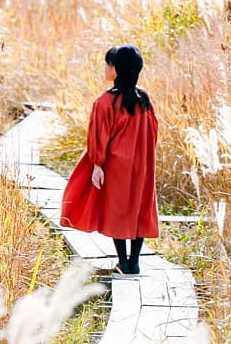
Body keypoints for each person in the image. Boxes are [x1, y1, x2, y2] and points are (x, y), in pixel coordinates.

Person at [59, 44, 159, 275]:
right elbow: (152, 133)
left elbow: (99, 135)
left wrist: (97, 164)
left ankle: (122, 261)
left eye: (109, 64)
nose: (106, 68)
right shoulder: (144, 101)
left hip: (115, 164)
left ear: (117, 69)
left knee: (117, 209)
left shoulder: (105, 102)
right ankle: (134, 261)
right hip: (141, 164)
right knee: (139, 206)